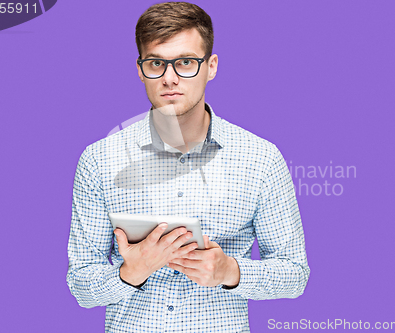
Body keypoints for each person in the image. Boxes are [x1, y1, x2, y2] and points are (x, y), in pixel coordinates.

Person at [66, 2, 310, 332]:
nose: (169, 78)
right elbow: (81, 283)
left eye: (185, 62)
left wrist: (229, 271)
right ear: (140, 70)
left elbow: (295, 274)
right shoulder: (99, 161)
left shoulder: (261, 160)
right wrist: (130, 273)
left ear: (211, 66)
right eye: (156, 63)